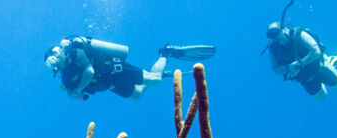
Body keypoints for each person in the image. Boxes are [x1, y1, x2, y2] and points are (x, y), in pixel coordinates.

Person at [44, 36, 215, 100]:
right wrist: (74, 94)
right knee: (137, 94)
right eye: (50, 64)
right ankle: (160, 73)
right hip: (109, 84)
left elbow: (89, 72)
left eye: (54, 58)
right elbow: (77, 96)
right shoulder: (65, 76)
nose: (55, 63)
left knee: (153, 80)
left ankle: (166, 54)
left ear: (59, 52)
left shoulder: (74, 52)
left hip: (113, 68)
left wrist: (78, 89)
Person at [265, 22, 337, 101]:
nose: (274, 37)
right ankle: (324, 74)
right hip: (304, 77)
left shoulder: (299, 34)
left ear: (282, 29)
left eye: (275, 32)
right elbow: (275, 69)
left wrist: (299, 64)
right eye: (270, 35)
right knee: (322, 99)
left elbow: (316, 51)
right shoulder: (273, 50)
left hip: (319, 67)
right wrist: (288, 67)